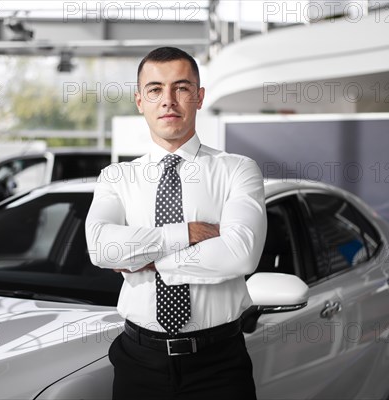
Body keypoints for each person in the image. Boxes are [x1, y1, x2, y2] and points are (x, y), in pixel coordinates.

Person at [85, 46, 266, 400]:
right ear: (140, 101)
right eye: (155, 90)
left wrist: (144, 258)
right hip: (139, 361)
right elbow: (101, 247)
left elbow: (240, 254)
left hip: (219, 364)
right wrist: (188, 233)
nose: (168, 100)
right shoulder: (116, 177)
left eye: (181, 88)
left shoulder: (237, 169)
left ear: (199, 97)